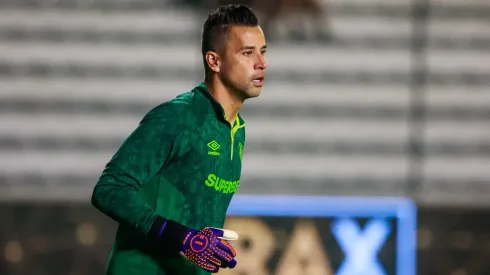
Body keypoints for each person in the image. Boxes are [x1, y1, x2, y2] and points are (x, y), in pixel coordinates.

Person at [90, 4, 267, 275]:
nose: (261, 63)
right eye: (247, 53)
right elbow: (110, 188)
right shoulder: (178, 116)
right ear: (214, 61)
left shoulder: (237, 129)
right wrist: (181, 237)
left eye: (262, 52)